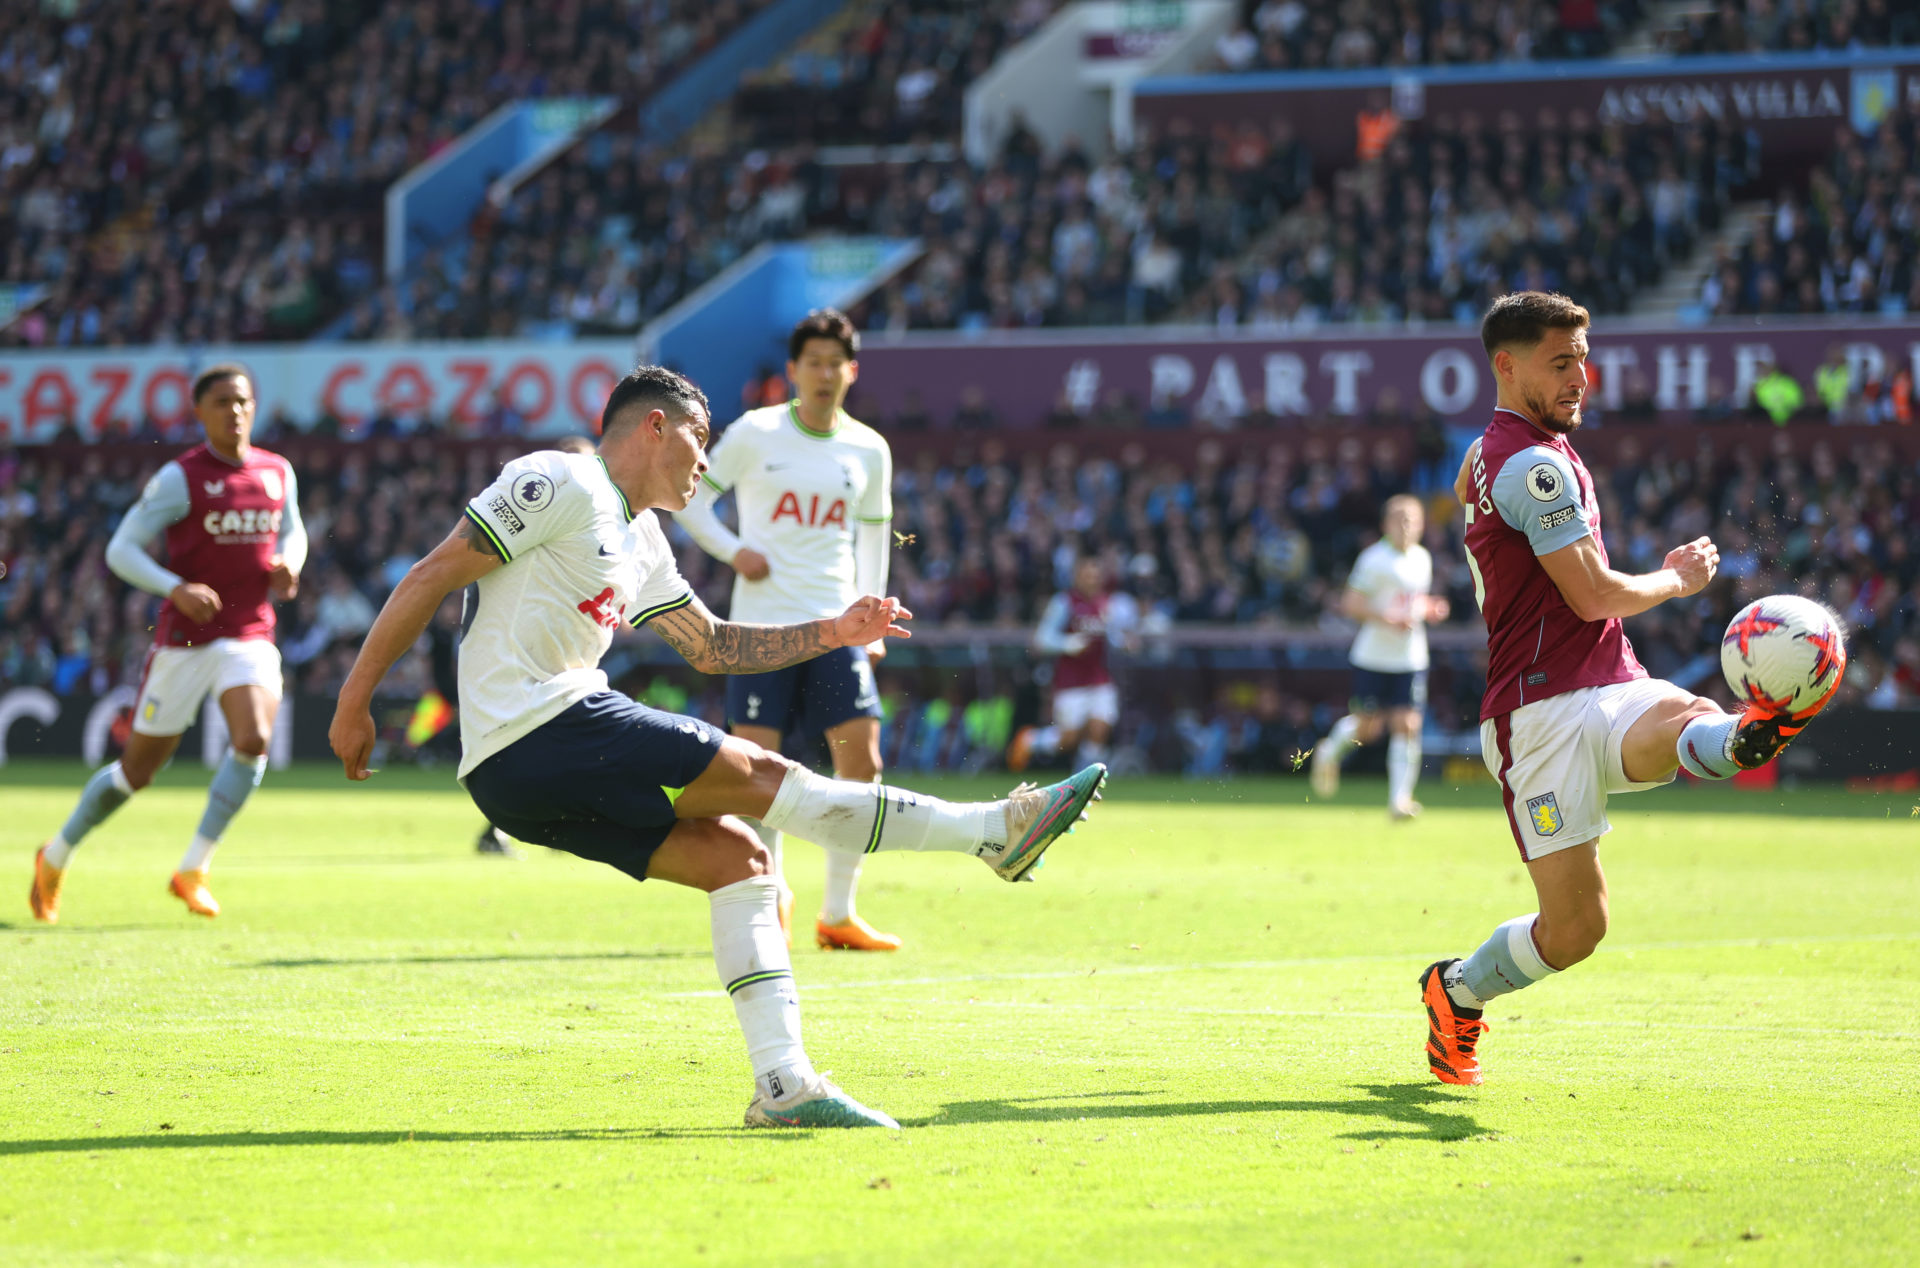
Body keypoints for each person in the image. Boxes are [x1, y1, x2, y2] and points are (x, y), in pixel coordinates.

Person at [327, 366, 1106, 1129]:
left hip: (519, 776)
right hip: (537, 728)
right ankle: (994, 833)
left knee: (742, 861)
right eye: (700, 440)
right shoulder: (562, 480)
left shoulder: (644, 540)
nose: (706, 463)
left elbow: (714, 646)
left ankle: (784, 1086)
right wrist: (355, 698)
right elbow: (431, 573)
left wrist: (833, 631)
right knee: (768, 775)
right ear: (654, 427)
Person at [1421, 293, 1840, 1086]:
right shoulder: (1531, 464)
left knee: (1690, 716)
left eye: (1583, 358)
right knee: (1578, 929)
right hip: (1534, 716)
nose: (1582, 377)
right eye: (1560, 362)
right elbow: (1592, 596)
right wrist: (1676, 580)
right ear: (1506, 366)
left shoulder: (1487, 454)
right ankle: (1456, 990)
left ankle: (1751, 734)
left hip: (1607, 682)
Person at [29, 364, 307, 922]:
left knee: (253, 738)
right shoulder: (181, 478)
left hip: (249, 631)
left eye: (244, 400)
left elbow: (293, 529)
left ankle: (193, 868)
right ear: (199, 412)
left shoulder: (277, 472)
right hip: (185, 642)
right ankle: (54, 855)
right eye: (223, 401)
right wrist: (175, 588)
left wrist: (289, 564)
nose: (235, 410)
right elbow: (121, 550)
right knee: (137, 773)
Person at [672, 310, 902, 951]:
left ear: (851, 371)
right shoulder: (756, 432)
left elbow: (875, 533)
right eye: (814, 362)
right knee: (759, 771)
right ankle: (770, 895)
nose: (825, 373)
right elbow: (691, 500)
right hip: (763, 629)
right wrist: (732, 551)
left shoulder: (868, 448)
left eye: (837, 362)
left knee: (862, 760)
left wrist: (874, 618)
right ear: (793, 370)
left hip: (835, 625)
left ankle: (838, 912)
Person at [1311, 495, 1449, 818]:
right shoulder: (1373, 559)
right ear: (1386, 524)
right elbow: (1351, 603)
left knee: (1408, 723)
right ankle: (1329, 751)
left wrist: (1430, 608)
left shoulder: (1422, 559)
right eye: (1399, 519)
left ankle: (1399, 801)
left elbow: (1413, 601)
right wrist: (1389, 619)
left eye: (1411, 520)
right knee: (1368, 729)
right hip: (1373, 657)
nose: (1406, 526)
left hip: (1410, 657)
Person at [1007, 557, 1138, 773]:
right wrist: (1068, 644)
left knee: (1100, 727)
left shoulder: (1106, 605)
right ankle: (1030, 740)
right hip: (1070, 681)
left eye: (1096, 576)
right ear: (1077, 578)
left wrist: (1126, 643)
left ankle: (1087, 778)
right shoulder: (1064, 603)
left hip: (1099, 678)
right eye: (1087, 576)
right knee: (1069, 738)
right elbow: (1041, 638)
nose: (1092, 580)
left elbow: (1113, 636)